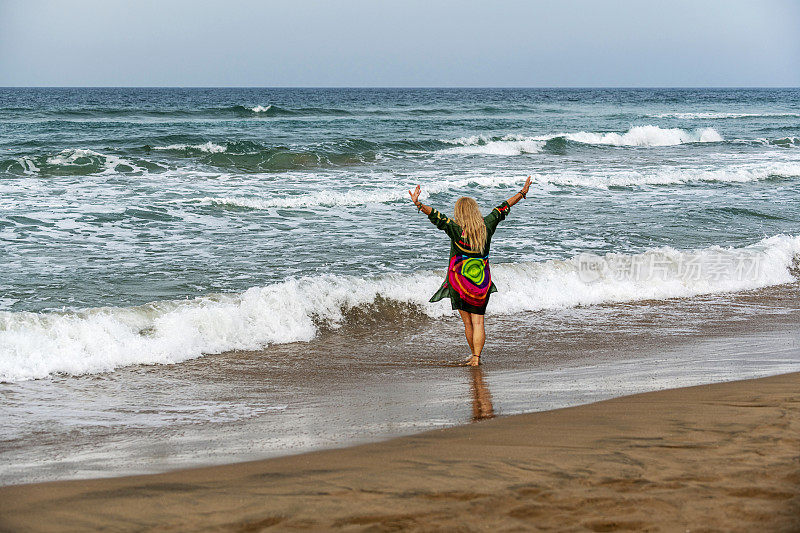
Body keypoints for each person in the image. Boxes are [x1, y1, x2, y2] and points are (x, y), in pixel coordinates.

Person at [409, 176, 532, 366]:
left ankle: (473, 356)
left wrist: (418, 203)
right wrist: (522, 193)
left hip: (459, 282)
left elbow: (435, 215)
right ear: (475, 211)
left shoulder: (454, 228)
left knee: (467, 323)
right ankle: (476, 357)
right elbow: (504, 207)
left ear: (459, 212)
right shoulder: (487, 224)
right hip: (481, 282)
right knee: (479, 322)